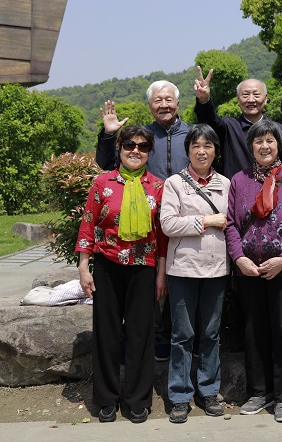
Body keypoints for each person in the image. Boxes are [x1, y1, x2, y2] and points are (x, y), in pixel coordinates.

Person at [77, 125, 168, 424]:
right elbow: (88, 224)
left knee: (141, 334)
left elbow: (162, 236)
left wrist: (161, 274)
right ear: (119, 148)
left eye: (143, 146)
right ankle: (106, 399)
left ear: (149, 152)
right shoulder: (103, 182)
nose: (135, 151)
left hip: (144, 267)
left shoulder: (157, 186)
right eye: (129, 144)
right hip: (107, 264)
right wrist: (83, 267)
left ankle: (137, 400)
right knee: (107, 333)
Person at [95, 80, 190, 362]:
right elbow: (107, 163)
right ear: (150, 106)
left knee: (178, 279)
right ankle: (156, 338)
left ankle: (179, 338)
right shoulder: (143, 137)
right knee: (153, 282)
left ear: (177, 103)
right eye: (157, 100)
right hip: (149, 215)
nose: (164, 105)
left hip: (185, 216)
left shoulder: (191, 133)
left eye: (169, 99)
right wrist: (109, 134)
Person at [225, 119, 282, 423]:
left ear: (279, 145)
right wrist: (239, 258)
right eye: (259, 141)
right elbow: (231, 224)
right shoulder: (239, 180)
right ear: (251, 147)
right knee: (253, 331)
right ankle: (259, 392)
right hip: (249, 271)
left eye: (270, 140)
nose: (265, 146)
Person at [160, 124, 231, 423]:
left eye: (208, 146)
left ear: (215, 151)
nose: (202, 151)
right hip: (183, 270)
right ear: (187, 151)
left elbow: (232, 223)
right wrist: (207, 220)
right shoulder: (175, 183)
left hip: (217, 269)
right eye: (196, 146)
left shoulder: (226, 184)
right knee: (182, 335)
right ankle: (179, 396)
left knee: (211, 334)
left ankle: (209, 391)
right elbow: (168, 224)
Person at [193, 68, 282, 178]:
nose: (251, 100)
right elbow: (209, 120)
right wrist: (204, 100)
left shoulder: (280, 131)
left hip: (273, 188)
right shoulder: (228, 127)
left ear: (265, 99)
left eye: (256, 95)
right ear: (238, 99)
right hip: (235, 188)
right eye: (245, 95)